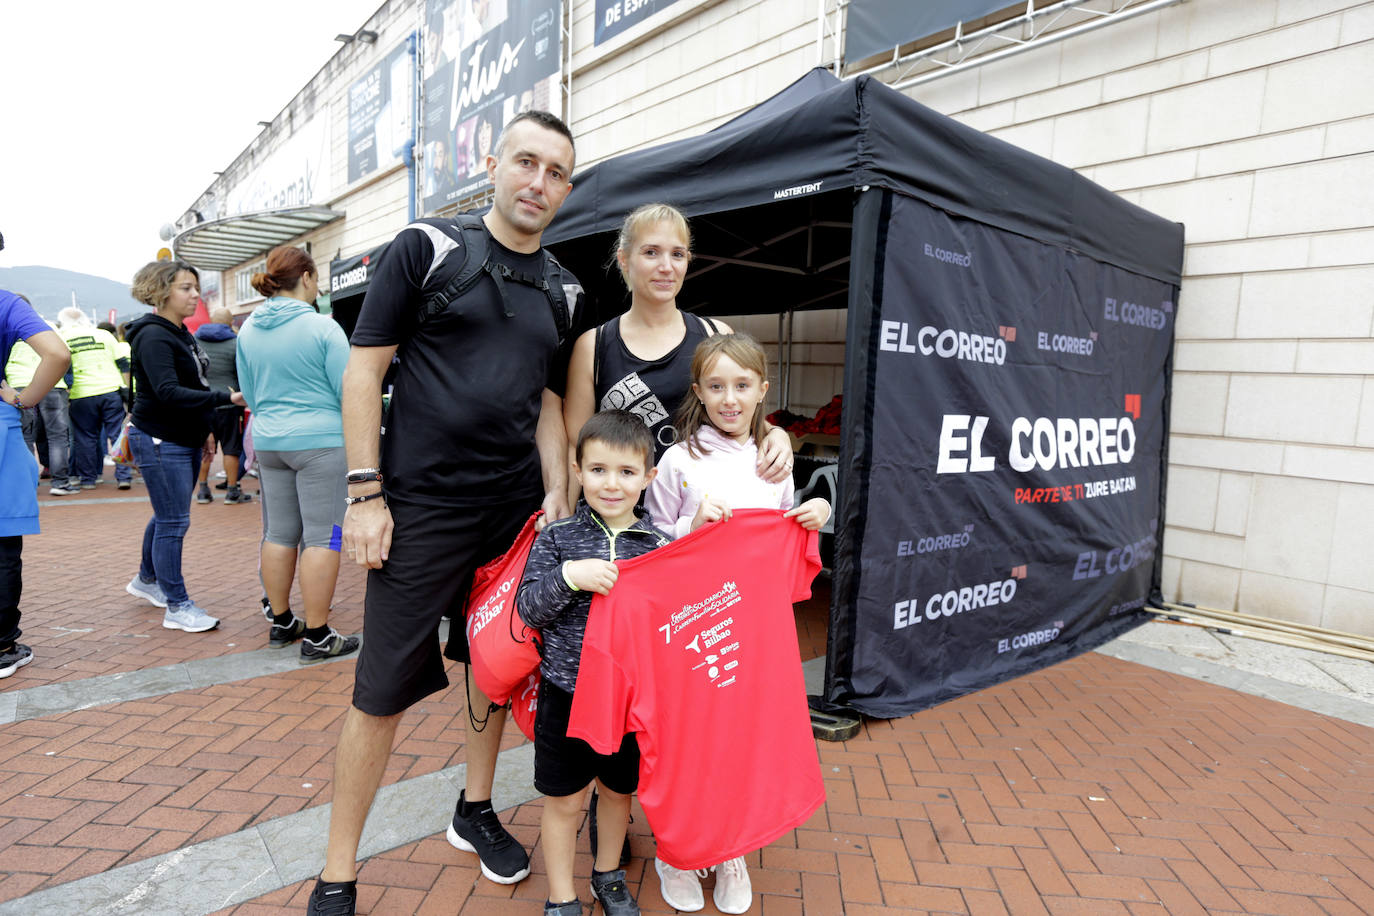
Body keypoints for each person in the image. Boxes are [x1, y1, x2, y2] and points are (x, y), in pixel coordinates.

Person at [312, 110, 580, 916]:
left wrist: (558, 490)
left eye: (556, 172)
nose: (538, 182)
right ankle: (338, 871)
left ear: (568, 188)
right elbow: (366, 374)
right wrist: (364, 496)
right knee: (379, 690)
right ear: (493, 165)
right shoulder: (427, 249)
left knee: (491, 665)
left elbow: (543, 400)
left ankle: (474, 807)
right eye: (526, 163)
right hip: (418, 509)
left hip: (510, 514)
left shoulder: (565, 288)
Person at [642, 333, 829, 915]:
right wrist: (690, 529)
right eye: (717, 386)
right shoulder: (676, 460)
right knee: (686, 739)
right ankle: (676, 850)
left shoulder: (774, 462)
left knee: (740, 739)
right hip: (688, 629)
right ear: (698, 390)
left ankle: (732, 847)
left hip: (752, 632)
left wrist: (813, 516)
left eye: (742, 386)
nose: (729, 399)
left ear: (762, 392)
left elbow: (783, 534)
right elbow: (645, 541)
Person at [517, 410, 670, 916]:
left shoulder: (658, 547)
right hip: (566, 694)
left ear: (648, 477)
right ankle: (562, 896)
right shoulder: (557, 539)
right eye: (599, 470)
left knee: (617, 792)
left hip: (626, 699)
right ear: (578, 471)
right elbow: (528, 607)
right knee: (564, 799)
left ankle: (608, 876)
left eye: (626, 472)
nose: (611, 484)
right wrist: (569, 576)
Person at [562, 202, 794, 480]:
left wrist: (776, 434)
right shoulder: (593, 347)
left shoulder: (715, 334)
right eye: (651, 252)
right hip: (620, 516)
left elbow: (742, 414)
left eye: (677, 254)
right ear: (624, 259)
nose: (666, 267)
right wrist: (564, 512)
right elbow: (577, 446)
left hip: (702, 514)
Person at [236, 246, 359, 663]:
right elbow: (348, 394)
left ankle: (283, 621)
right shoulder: (323, 328)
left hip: (270, 442)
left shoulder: (249, 329)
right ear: (306, 278)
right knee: (325, 536)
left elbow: (249, 394)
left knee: (278, 533)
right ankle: (319, 635)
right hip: (322, 443)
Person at [123, 261, 247, 634]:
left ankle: (147, 579)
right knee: (174, 521)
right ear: (161, 292)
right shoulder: (154, 335)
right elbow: (167, 391)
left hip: (182, 436)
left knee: (167, 515)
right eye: (186, 288)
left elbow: (191, 383)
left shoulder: (178, 332)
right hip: (162, 439)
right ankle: (177, 605)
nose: (196, 295)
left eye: (195, 287)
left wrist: (205, 430)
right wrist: (227, 398)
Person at [0, 289, 70, 679]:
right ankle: (2, 647)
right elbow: (58, 354)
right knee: (2, 539)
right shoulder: (7, 303)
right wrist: (25, 399)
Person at [58, 306, 132, 490]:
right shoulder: (104, 335)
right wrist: (127, 390)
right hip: (110, 390)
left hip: (81, 394)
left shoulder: (62, 338)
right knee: (117, 434)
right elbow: (122, 363)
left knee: (85, 438)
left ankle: (88, 479)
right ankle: (124, 477)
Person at [5, 320, 77, 496]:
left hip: (18, 386)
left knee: (25, 437)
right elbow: (65, 356)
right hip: (52, 383)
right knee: (58, 436)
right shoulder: (45, 325)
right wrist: (69, 384)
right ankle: (60, 482)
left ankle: (29, 483)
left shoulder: (5, 327)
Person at [194, 307, 252, 505]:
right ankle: (232, 491)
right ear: (230, 324)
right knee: (231, 448)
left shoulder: (194, 341)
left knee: (204, 447)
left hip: (203, 402)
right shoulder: (236, 343)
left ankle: (202, 490)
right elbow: (242, 374)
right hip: (230, 402)